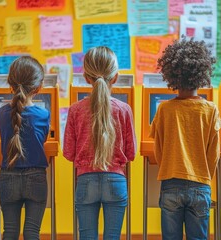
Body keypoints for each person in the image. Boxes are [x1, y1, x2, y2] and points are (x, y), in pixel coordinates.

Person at [150, 38, 221, 240]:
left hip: (171, 182)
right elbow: (213, 154)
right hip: (200, 183)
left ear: (171, 74)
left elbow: (158, 150)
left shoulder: (164, 109)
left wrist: (169, 165)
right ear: (203, 74)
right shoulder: (210, 109)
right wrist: (204, 178)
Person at [63, 46, 137, 239]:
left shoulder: (75, 110)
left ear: (86, 77)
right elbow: (131, 153)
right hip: (116, 180)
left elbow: (68, 153)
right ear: (116, 77)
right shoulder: (124, 109)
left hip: (85, 181)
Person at [0, 56, 50, 240]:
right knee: (32, 233)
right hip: (36, 177)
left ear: (10, 83)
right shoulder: (43, 114)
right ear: (38, 87)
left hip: (8, 176)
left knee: (9, 231)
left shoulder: (1, 114)